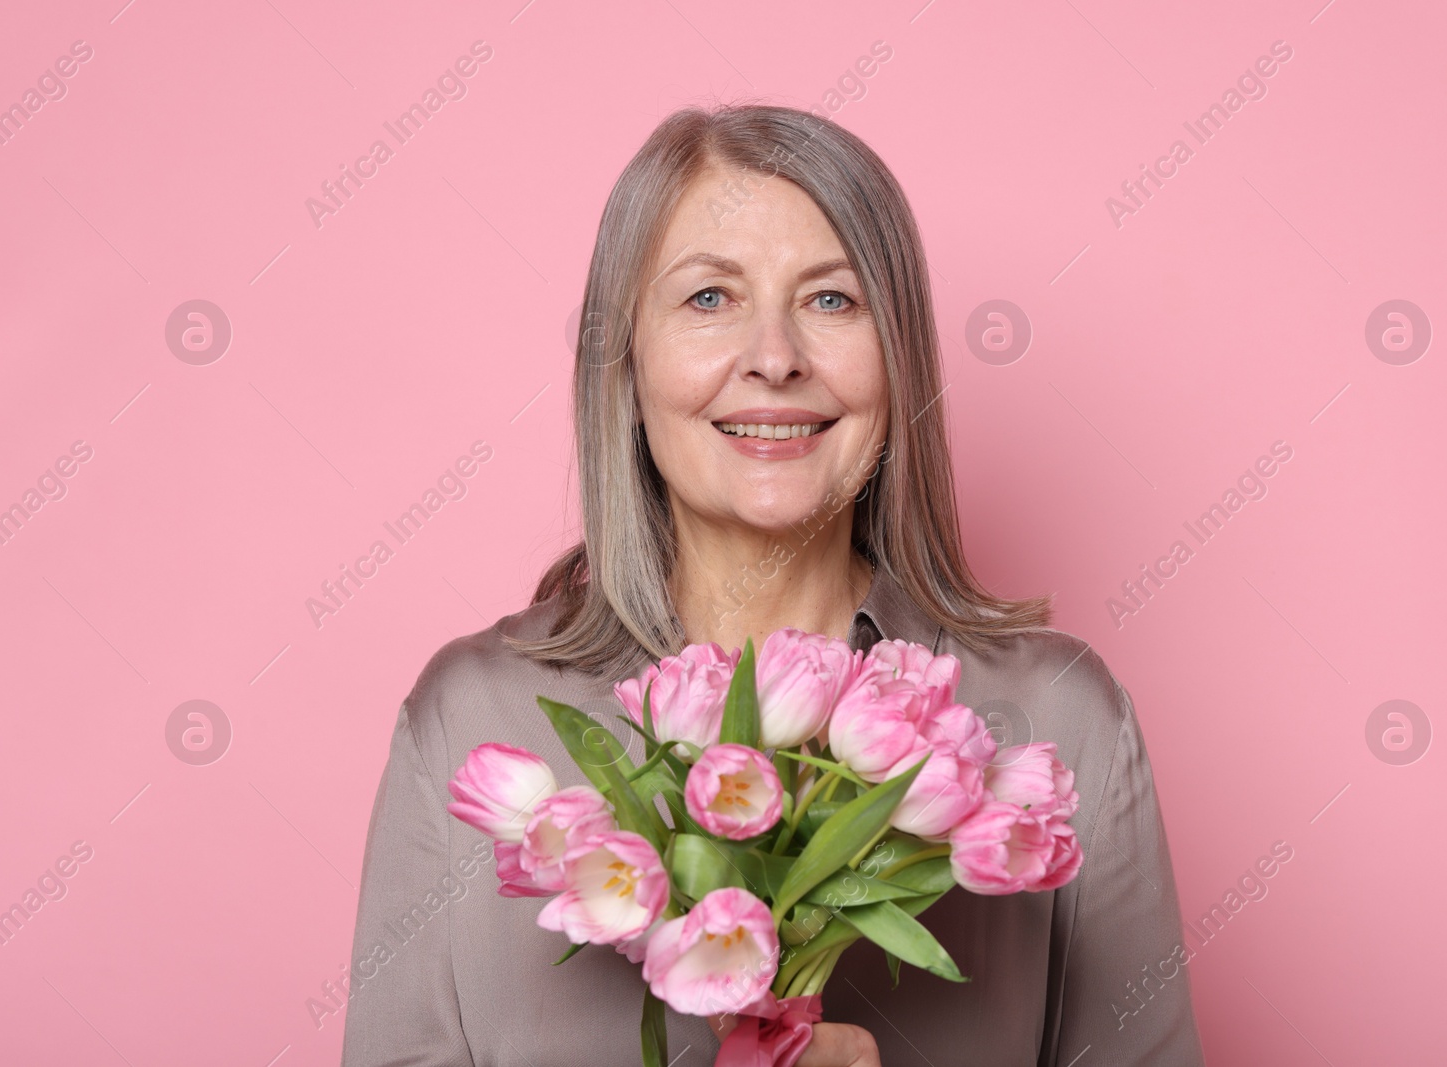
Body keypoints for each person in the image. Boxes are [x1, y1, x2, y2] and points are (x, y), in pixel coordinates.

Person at [340, 103, 1204, 1066]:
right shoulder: (472, 717)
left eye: (832, 300)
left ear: (900, 355)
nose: (776, 356)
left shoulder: (1059, 723)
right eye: (708, 298)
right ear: (624, 360)